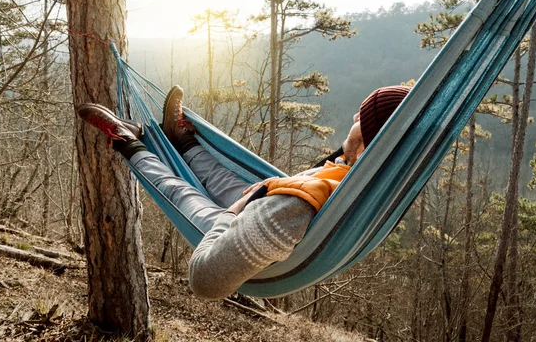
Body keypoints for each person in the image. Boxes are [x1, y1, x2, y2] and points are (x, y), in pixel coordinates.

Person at [77, 84, 410, 299]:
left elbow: (205, 281)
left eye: (361, 119)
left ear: (370, 146)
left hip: (245, 229)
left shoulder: (288, 214)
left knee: (181, 192)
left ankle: (127, 141)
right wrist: (264, 190)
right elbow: (334, 163)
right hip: (270, 203)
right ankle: (180, 139)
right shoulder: (362, 173)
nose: (354, 115)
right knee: (219, 177)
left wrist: (234, 210)